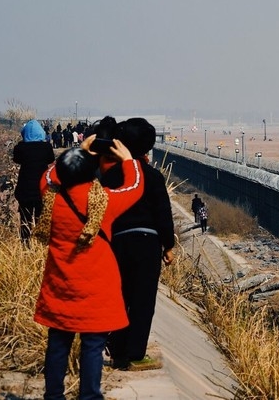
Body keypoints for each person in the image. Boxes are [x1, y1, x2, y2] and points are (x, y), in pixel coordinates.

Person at [32, 118, 144, 400]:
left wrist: (79, 150)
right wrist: (129, 160)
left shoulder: (52, 201)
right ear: (90, 171)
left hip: (60, 287)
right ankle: (89, 395)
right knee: (93, 346)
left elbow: (47, 178)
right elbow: (134, 187)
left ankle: (53, 395)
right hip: (95, 290)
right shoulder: (102, 203)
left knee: (58, 343)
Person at [104, 118, 175, 372]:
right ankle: (135, 354)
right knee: (143, 300)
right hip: (147, 244)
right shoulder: (153, 177)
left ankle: (116, 350)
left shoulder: (110, 175)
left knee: (119, 296)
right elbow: (163, 213)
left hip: (117, 243)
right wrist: (168, 245)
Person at [12, 119, 55, 243]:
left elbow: (16, 159)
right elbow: (50, 159)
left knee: (25, 219)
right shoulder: (46, 147)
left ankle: (25, 244)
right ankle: (40, 244)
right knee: (40, 218)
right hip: (42, 188)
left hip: (25, 189)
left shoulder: (20, 148)